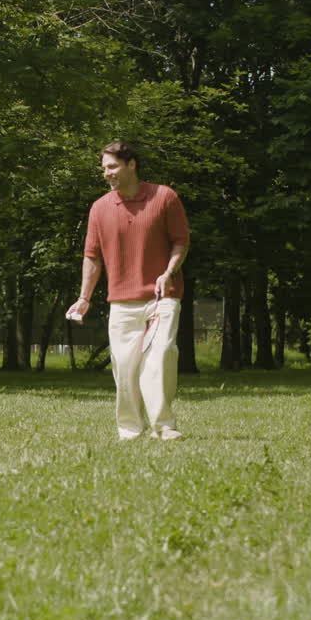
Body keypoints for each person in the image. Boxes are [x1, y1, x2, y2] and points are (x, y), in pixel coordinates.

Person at [66, 142, 190, 440]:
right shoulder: (100, 208)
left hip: (162, 296)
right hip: (121, 301)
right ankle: (130, 430)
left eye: (112, 166)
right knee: (124, 367)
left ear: (131, 164)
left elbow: (181, 241)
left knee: (160, 356)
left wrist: (168, 272)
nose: (106, 173)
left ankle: (164, 427)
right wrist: (84, 297)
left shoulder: (164, 197)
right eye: (104, 168)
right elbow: (92, 257)